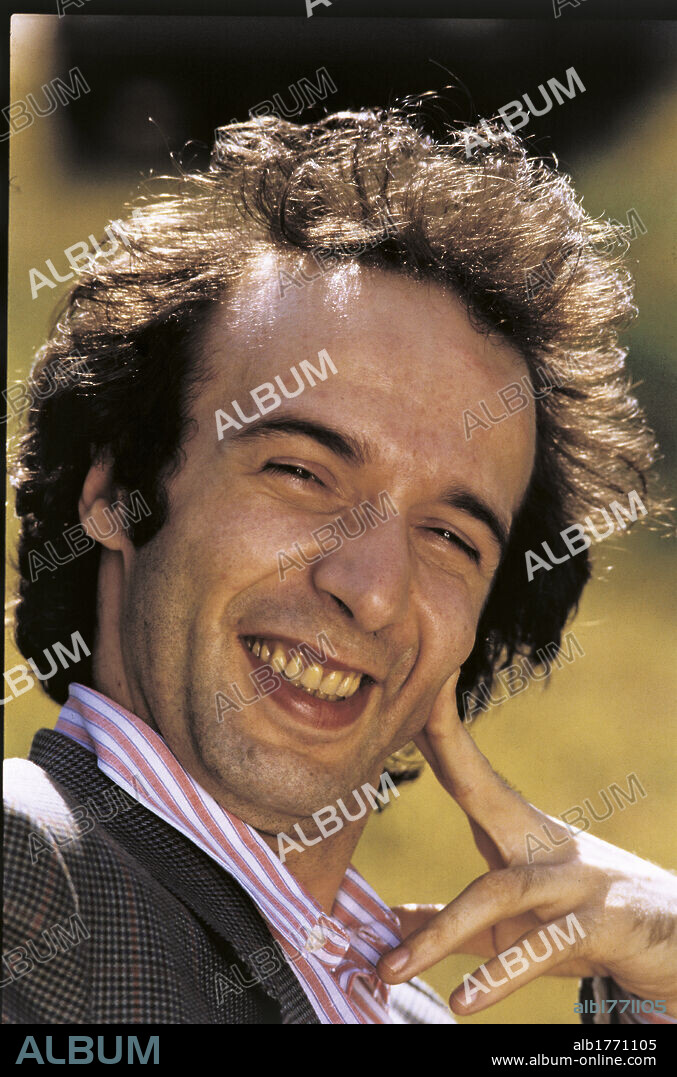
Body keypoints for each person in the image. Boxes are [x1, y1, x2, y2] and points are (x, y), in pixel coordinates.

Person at [4, 107, 676, 1025]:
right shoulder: (25, 871)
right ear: (117, 493)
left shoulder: (411, 1009)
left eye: (450, 536)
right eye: (301, 472)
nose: (370, 587)